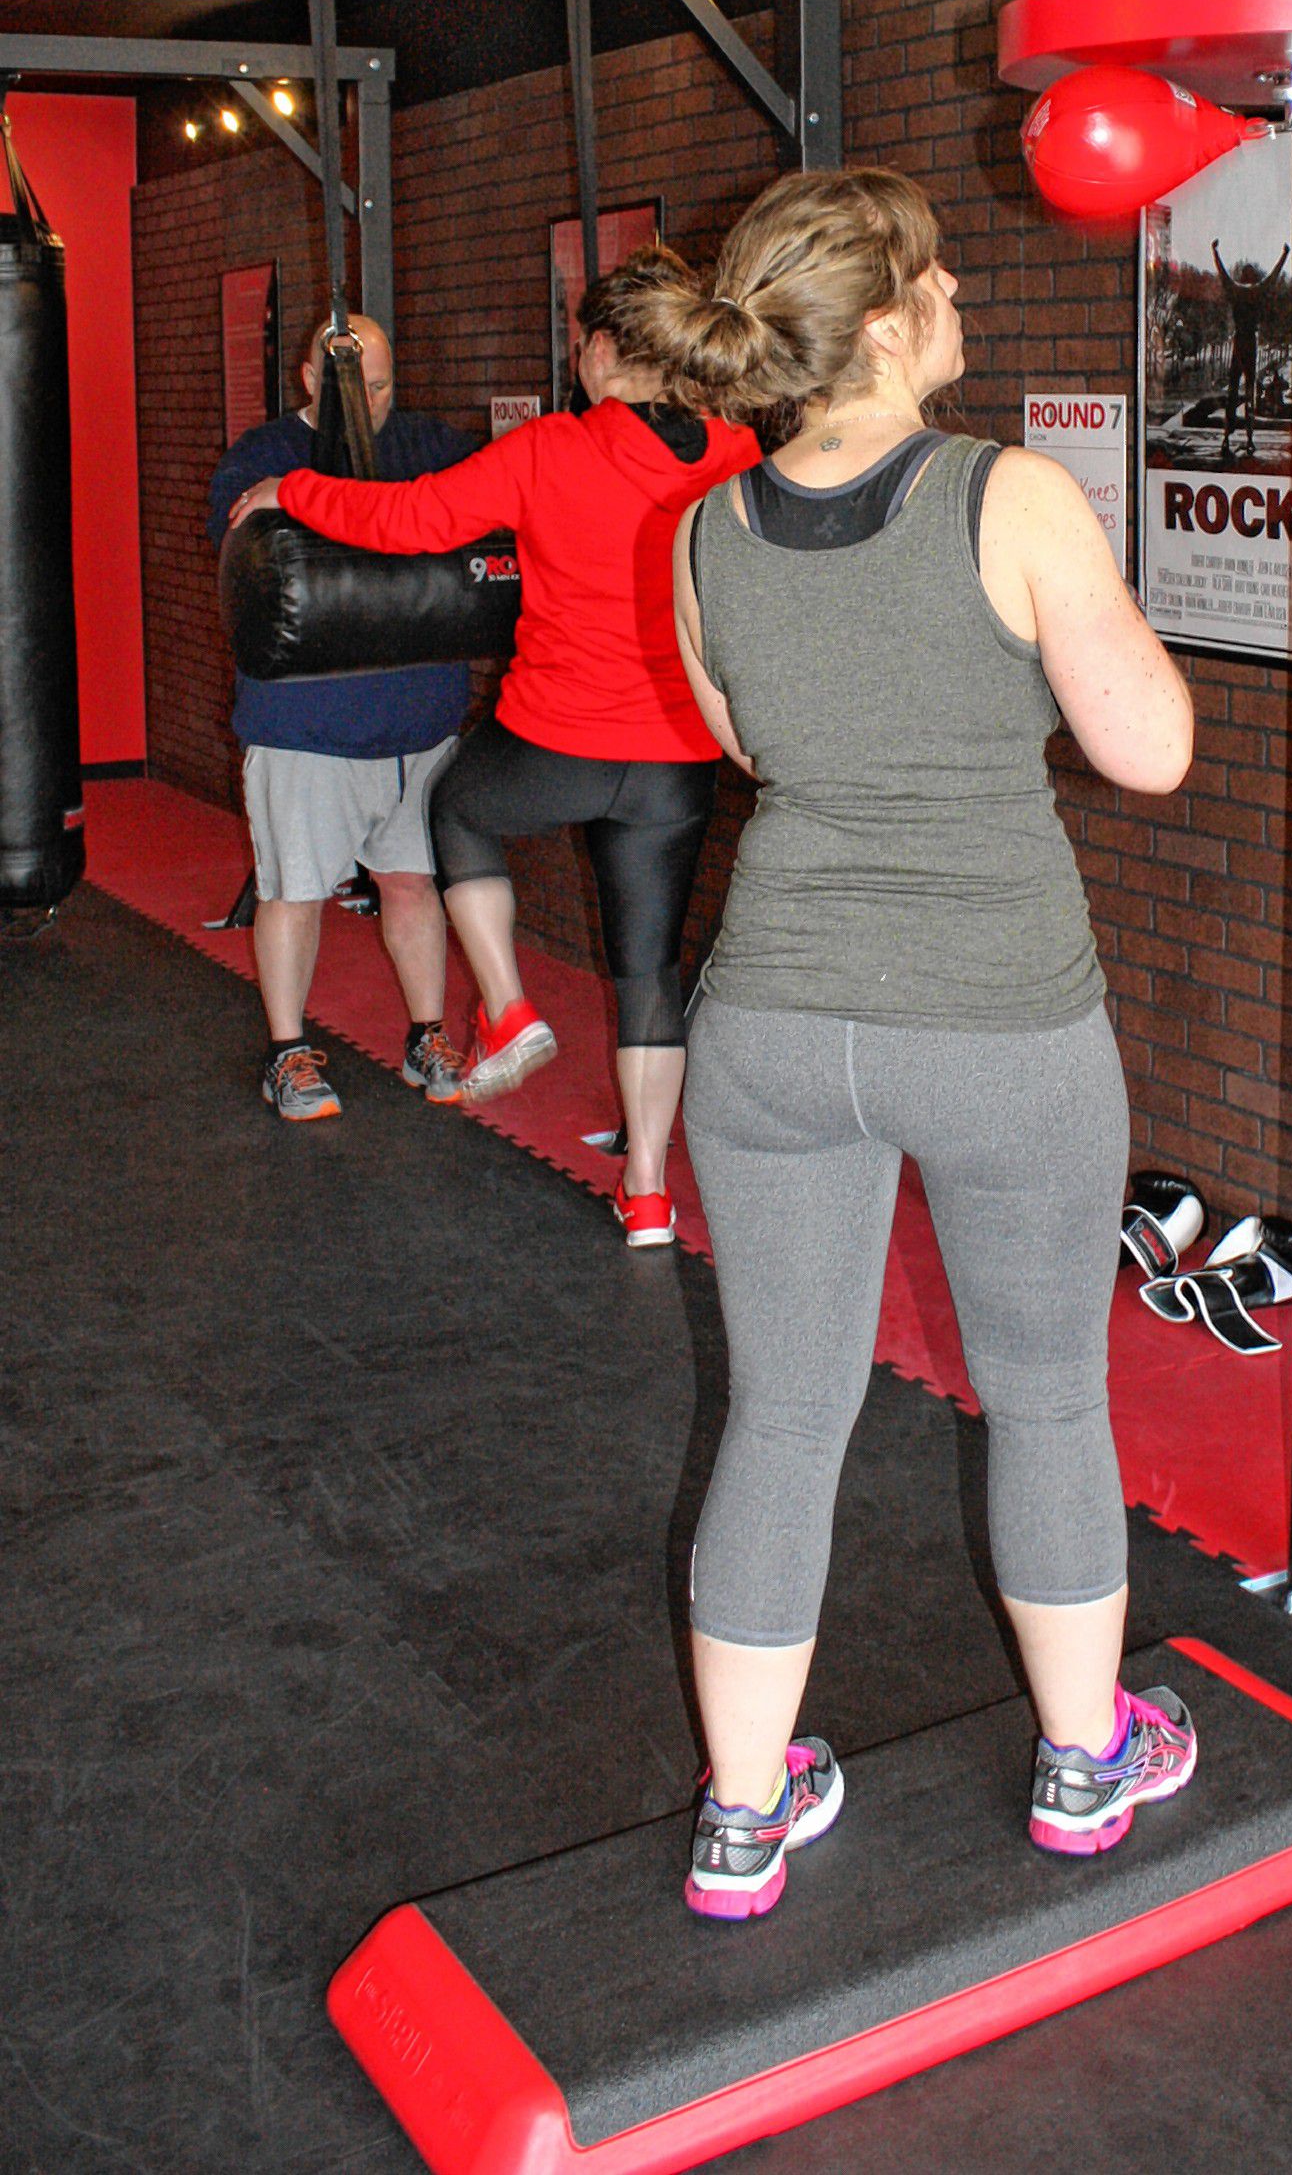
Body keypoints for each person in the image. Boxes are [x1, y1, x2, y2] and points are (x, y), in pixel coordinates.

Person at [654, 168, 1198, 1922]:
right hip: (997, 1023)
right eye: (944, 280)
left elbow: (750, 742)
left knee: (783, 1414)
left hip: (772, 1028)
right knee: (1043, 1397)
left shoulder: (703, 530)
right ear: (886, 322)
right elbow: (1152, 753)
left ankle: (744, 1815)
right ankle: (1082, 1763)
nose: (964, 295)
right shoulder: (1009, 494)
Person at [229, 249, 758, 1245]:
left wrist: (296, 493)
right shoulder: (731, 451)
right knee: (647, 969)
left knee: (454, 808)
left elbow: (409, 520)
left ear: (600, 350)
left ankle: (509, 1009)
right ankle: (646, 1189)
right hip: (677, 754)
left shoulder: (553, 448)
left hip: (557, 736)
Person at [208, 312, 471, 1122]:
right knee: (295, 891)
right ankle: (287, 1052)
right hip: (305, 725)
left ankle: (426, 1034)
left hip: (420, 722)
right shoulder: (263, 456)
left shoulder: (434, 448)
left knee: (413, 883)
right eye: (361, 383)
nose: (376, 400)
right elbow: (242, 555)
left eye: (386, 383)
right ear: (313, 379)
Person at [1210, 236, 1289, 456]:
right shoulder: (1256, 291)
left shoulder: (1236, 290)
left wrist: (1215, 252)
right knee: (1249, 389)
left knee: (1235, 389)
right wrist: (1284, 255)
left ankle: (1227, 436)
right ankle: (1249, 437)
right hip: (1249, 341)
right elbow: (1273, 276)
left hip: (1239, 340)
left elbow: (1223, 273)